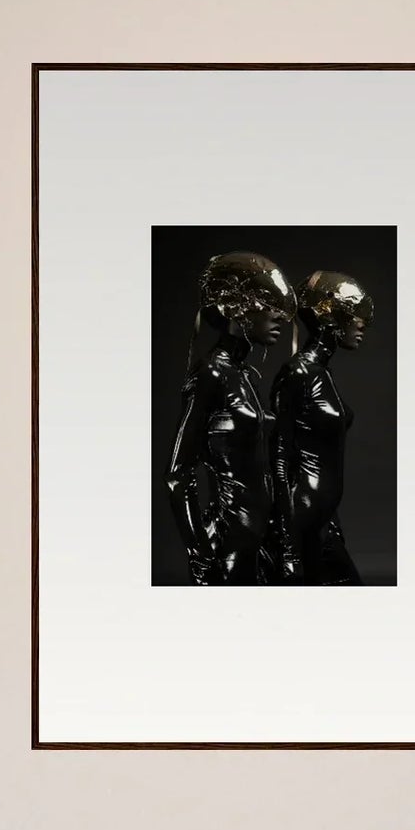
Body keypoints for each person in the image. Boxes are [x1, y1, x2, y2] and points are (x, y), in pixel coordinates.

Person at [163, 251, 294, 585]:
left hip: (263, 544)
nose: (279, 316)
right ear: (236, 308)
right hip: (228, 547)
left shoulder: (245, 376)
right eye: (267, 303)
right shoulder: (210, 374)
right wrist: (200, 555)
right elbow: (178, 474)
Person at [269, 270, 373, 586]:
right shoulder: (298, 373)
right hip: (302, 524)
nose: (361, 324)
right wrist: (289, 548)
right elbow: (279, 457)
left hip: (323, 520)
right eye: (354, 314)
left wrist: (333, 520)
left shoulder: (320, 373)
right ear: (331, 318)